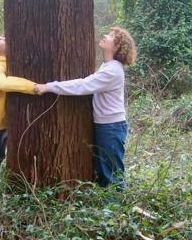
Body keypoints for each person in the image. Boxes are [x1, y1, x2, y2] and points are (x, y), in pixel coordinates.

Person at [35, 27, 137, 190]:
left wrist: (49, 86)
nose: (105, 36)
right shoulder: (108, 66)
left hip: (111, 127)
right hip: (106, 126)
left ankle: (115, 210)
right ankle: (110, 208)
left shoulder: (112, 70)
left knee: (111, 172)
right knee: (104, 170)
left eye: (111, 36)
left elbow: (82, 85)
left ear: (117, 47)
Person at [0, 34, 36, 192]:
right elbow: (2, 84)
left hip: (5, 121)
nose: (4, 38)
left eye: (2, 37)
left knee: (0, 157)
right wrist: (33, 87)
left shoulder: (10, 61)